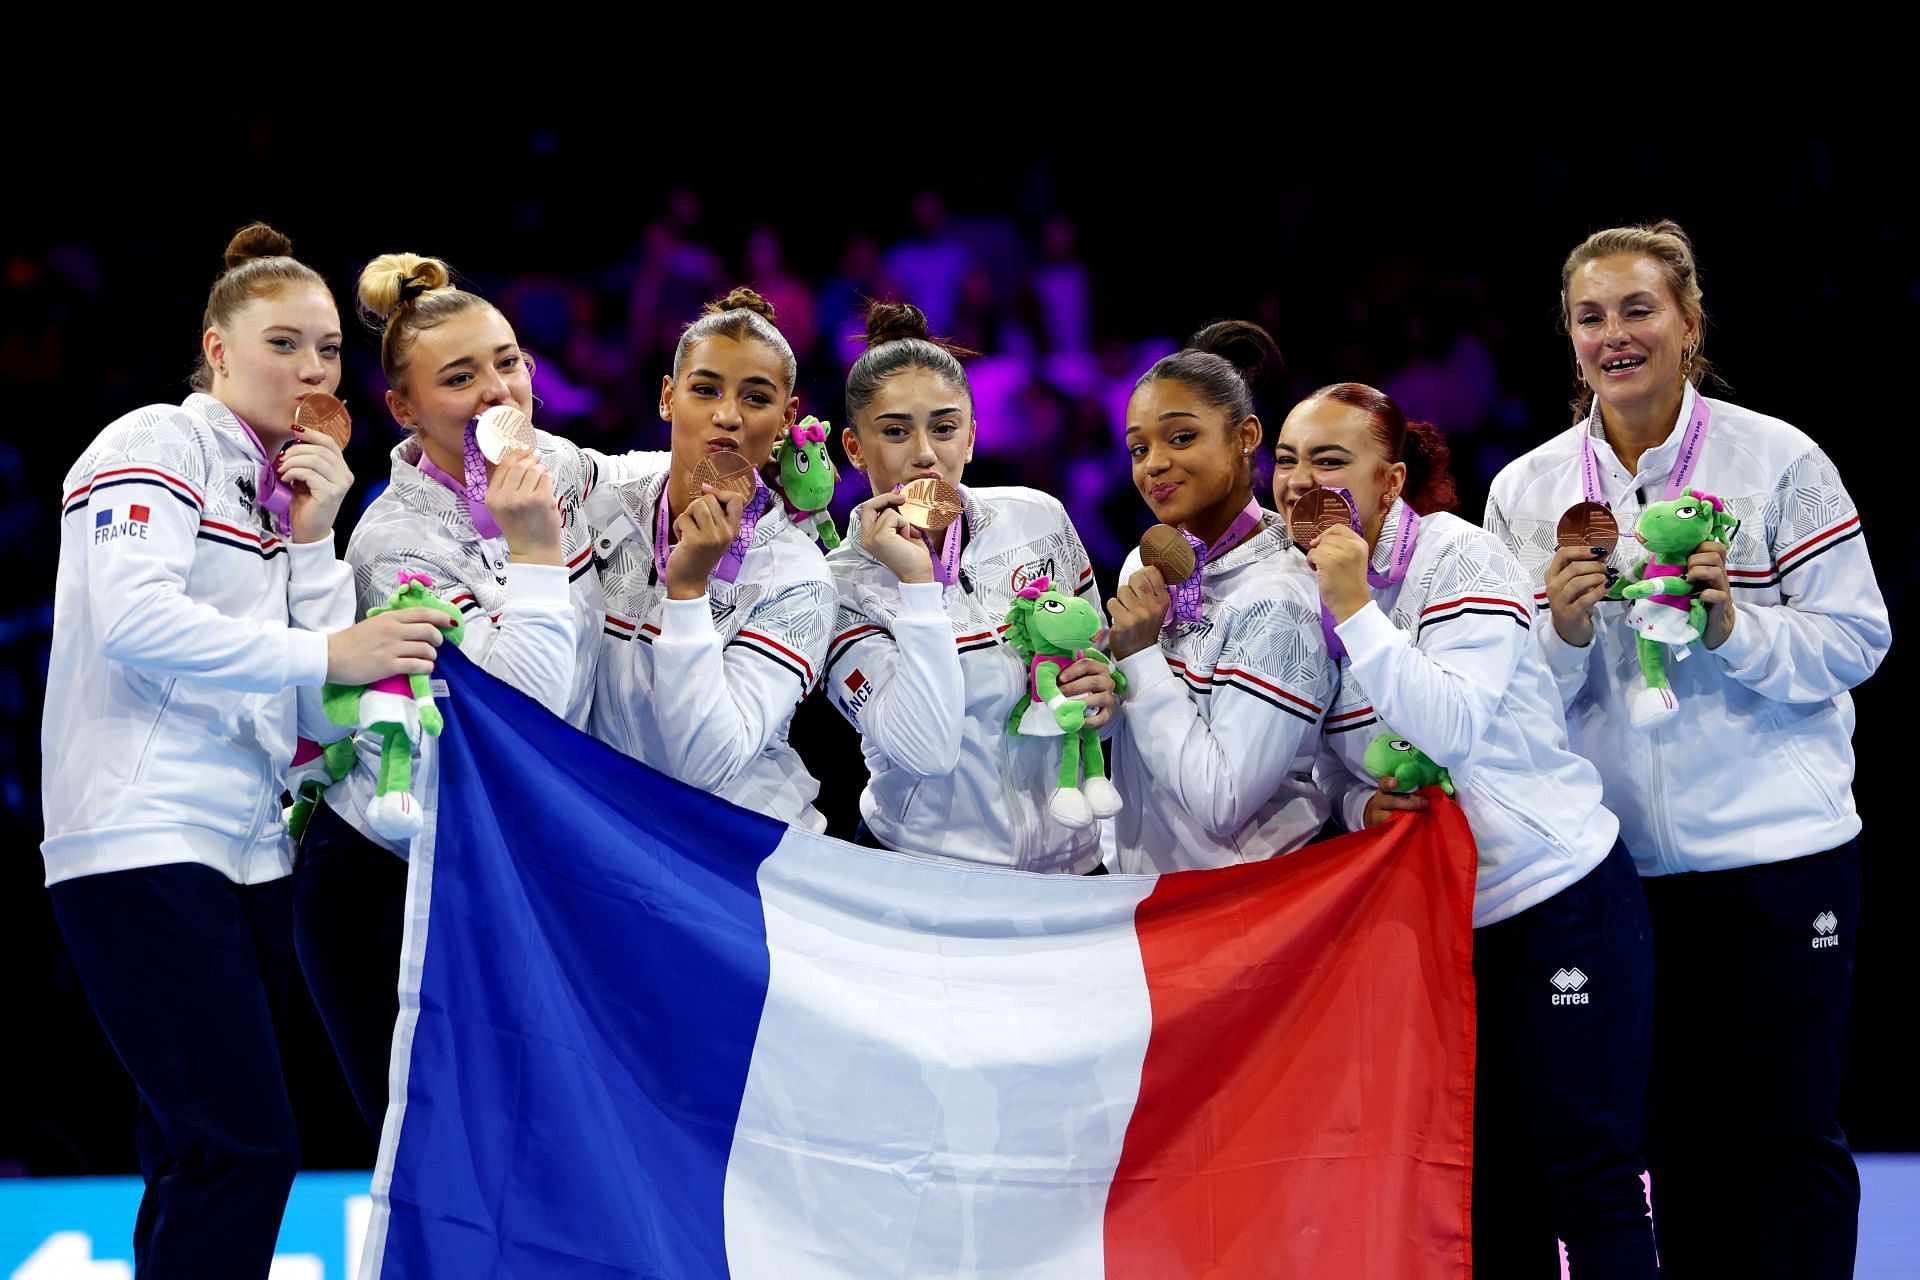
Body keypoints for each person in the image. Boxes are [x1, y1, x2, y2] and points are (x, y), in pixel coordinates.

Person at [42, 224, 451, 1277]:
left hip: (246, 847)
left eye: (326, 348)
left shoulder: (281, 484)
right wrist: (329, 641)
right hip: (141, 833)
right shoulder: (154, 443)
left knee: (196, 1149)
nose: (312, 368)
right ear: (217, 348)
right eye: (283, 343)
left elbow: (320, 710)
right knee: (243, 1145)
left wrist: (314, 539)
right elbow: (132, 619)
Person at [1486, 220, 1889, 1278]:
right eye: (1590, 316)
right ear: (1568, 337)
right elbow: (1510, 696)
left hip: (1778, 855)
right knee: (1667, 1146)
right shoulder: (1526, 491)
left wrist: (1733, 627)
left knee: (1787, 1138)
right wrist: (1561, 631)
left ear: (1689, 322)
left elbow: (1858, 634)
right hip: (1617, 874)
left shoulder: (1777, 457)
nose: (1614, 335)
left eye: (1637, 309)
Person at [1289, 382, 1654, 1276]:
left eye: (1330, 462)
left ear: (1391, 482)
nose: (1302, 483)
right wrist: (1354, 807)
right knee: (1486, 1195)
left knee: (1590, 1182)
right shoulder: (1294, 588)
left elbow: (1448, 727)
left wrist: (1357, 609)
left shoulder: (1463, 559)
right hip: (1443, 929)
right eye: (1289, 462)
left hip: (1556, 899)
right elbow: (1321, 765)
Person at [293, 251, 610, 1134]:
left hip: (512, 866)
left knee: (543, 1152)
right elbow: (520, 717)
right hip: (388, 879)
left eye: (507, 363)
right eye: (460, 377)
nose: (495, 393)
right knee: (439, 1162)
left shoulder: (577, 472)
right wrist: (537, 549)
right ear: (402, 408)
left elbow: (701, 487)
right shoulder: (394, 546)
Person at [823, 301, 1117, 871]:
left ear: (972, 438)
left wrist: (1107, 700)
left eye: (944, 427)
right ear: (854, 448)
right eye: (895, 431)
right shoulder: (838, 585)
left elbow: (1099, 702)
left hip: (1075, 867)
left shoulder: (1040, 519)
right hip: (928, 878)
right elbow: (925, 751)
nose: (926, 453)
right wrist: (917, 587)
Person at [586, 288, 834, 828]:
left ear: (788, 416)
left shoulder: (798, 577)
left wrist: (689, 593)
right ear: (668, 397)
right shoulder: (604, 493)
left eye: (755, 398)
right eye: (705, 390)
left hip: (738, 858)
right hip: (612, 835)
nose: (728, 416)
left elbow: (706, 764)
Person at [1105, 321, 1333, 873]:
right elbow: (1131, 734)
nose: (1153, 463)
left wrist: (1138, 657)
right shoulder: (1146, 561)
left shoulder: (1283, 595)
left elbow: (1220, 799)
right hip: (1147, 896)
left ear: (1246, 436)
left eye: (1181, 437)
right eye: (1139, 447)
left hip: (1247, 908)